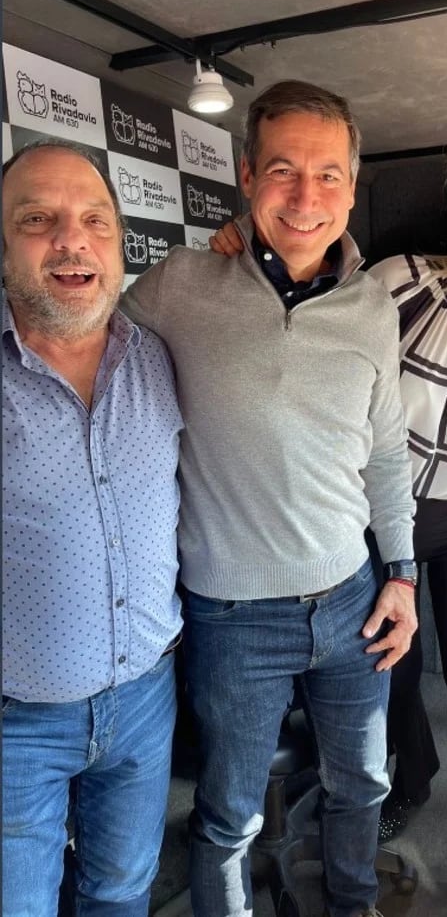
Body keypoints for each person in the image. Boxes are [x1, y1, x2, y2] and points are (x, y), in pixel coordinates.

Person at [211, 128, 447, 917]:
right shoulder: (405, 281)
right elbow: (314, 294)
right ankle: (411, 777)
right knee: (390, 669)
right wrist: (243, 246)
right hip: (383, 515)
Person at [121, 80, 416, 917]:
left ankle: (350, 907)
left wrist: (401, 574)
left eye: (328, 175)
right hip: (232, 614)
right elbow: (83, 350)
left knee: (362, 785)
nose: (306, 195)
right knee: (229, 816)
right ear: (247, 176)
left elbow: (387, 452)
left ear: (353, 189)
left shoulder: (373, 308)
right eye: (283, 171)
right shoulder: (181, 286)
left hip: (356, 599)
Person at [2, 139, 183, 917]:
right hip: (16, 726)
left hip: (146, 699)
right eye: (38, 219)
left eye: (94, 220)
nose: (71, 240)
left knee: (121, 893)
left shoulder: (164, 357)